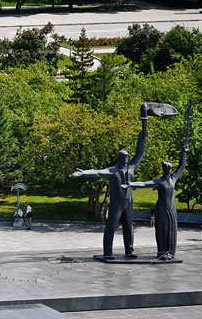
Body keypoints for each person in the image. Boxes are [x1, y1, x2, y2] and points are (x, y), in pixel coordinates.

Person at [72, 104, 169, 258]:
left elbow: (140, 151)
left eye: (126, 157)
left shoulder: (131, 167)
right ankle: (108, 252)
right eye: (123, 157)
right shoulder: (113, 171)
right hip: (116, 202)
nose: (125, 159)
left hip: (129, 202)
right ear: (119, 158)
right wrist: (84, 172)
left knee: (128, 227)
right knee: (111, 227)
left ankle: (129, 251)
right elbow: (98, 173)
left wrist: (143, 133)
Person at [122, 123, 190, 260]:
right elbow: (144, 184)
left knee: (171, 231)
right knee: (162, 230)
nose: (168, 170)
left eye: (169, 168)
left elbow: (182, 166)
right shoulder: (159, 181)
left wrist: (184, 151)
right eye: (166, 168)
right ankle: (162, 252)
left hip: (171, 209)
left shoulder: (173, 178)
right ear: (164, 169)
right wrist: (131, 183)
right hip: (161, 209)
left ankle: (170, 252)